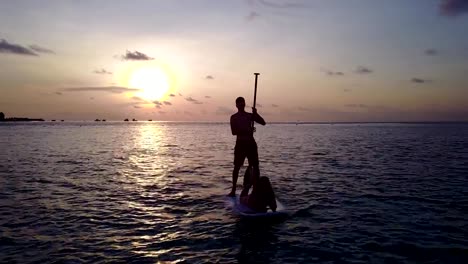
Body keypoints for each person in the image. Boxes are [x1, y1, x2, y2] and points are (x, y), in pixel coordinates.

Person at [228, 96, 266, 197]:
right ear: (236, 105)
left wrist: (256, 114)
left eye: (243, 102)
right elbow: (234, 132)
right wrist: (247, 130)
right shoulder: (234, 117)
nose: (241, 104)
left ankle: (255, 189)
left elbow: (263, 122)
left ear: (245, 104)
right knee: (236, 167)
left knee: (255, 166)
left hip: (251, 143)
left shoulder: (250, 116)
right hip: (240, 144)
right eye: (239, 103)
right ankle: (233, 190)